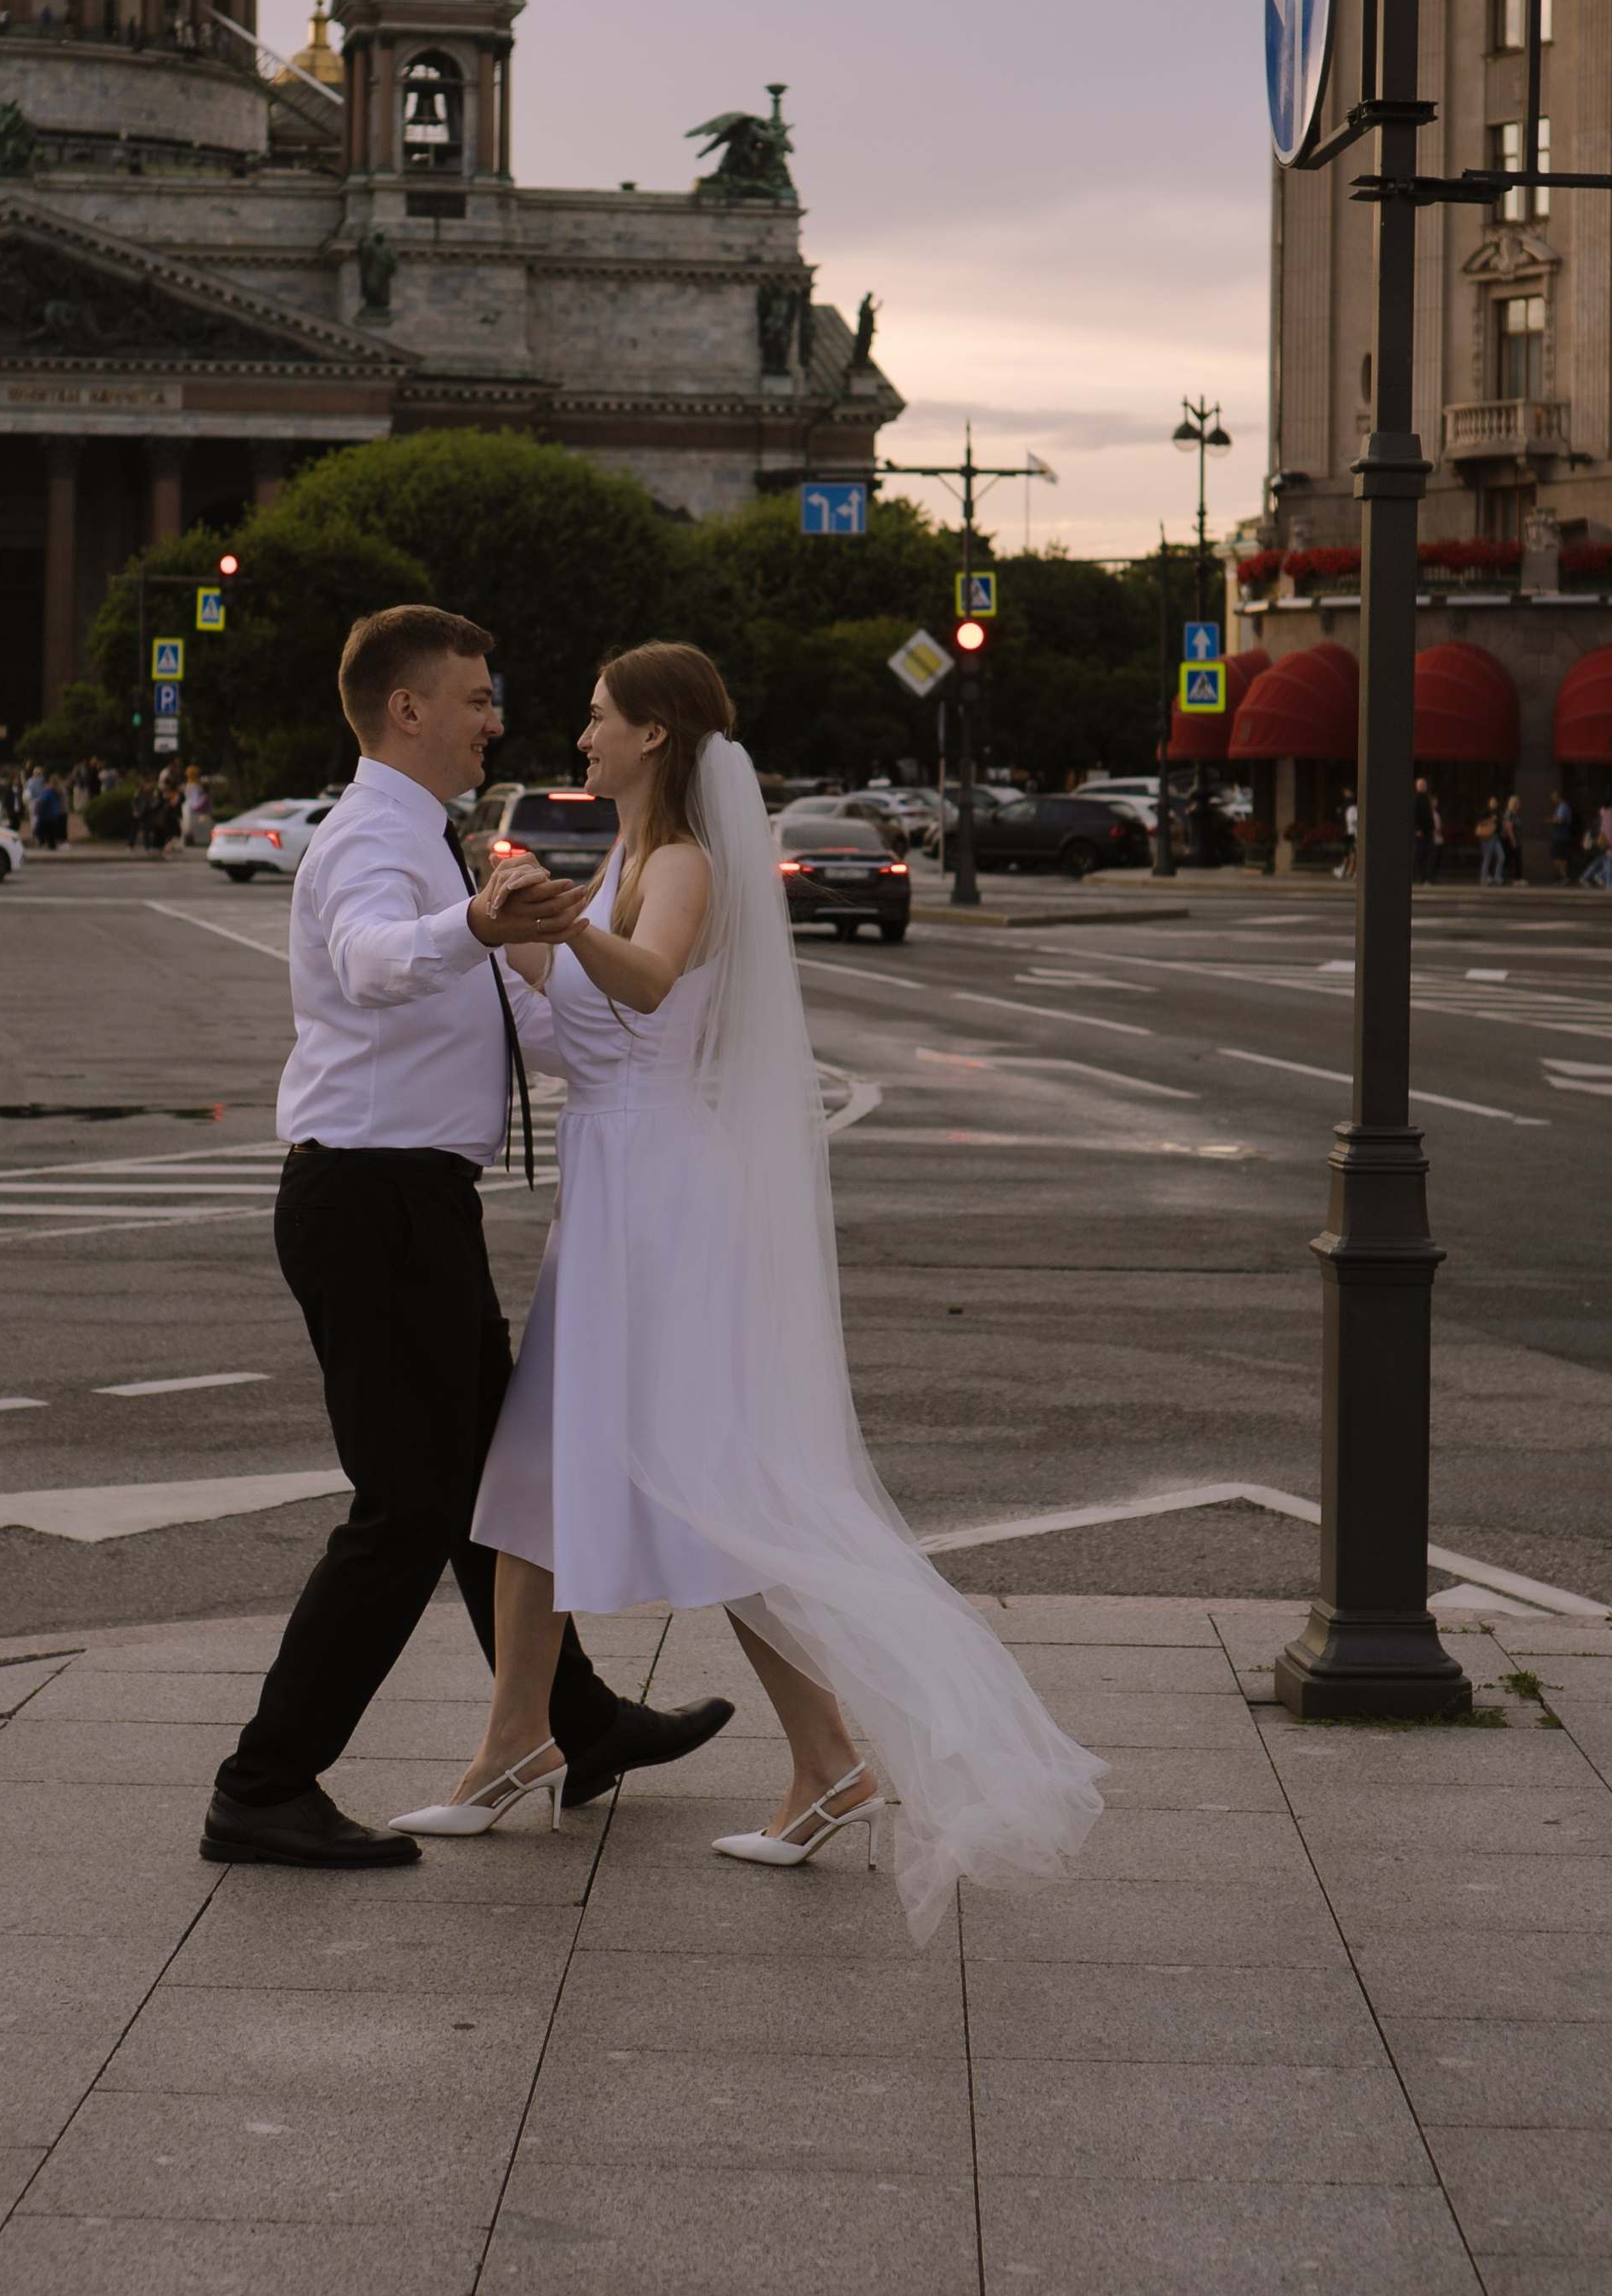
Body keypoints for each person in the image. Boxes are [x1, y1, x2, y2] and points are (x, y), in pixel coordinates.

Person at [397, 643, 1105, 1941]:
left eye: (601, 718)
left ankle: (829, 1759)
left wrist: (568, 931)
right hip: (618, 1187)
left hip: (663, 1201)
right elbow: (582, 1029)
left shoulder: (678, 866)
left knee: (714, 1487)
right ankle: (523, 1749)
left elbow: (652, 981)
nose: (583, 735)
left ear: (657, 735)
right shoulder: (625, 860)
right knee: (538, 1473)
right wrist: (526, 938)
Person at [204, 606, 735, 1872]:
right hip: (368, 1200)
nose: (497, 718)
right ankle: (264, 1780)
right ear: (408, 711)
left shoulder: (439, 846)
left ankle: (575, 1722)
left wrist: (624, 1014)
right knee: (414, 1501)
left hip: (417, 1202)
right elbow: (376, 960)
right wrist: (479, 929)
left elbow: (523, 1020)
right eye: (478, 698)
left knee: (502, 1477)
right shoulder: (366, 846)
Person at [1581, 799, 1612, 890]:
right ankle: (1609, 882)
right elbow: (1608, 831)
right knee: (1611, 862)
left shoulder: (1607, 814)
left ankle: (1605, 880)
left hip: (1608, 843)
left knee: (1610, 862)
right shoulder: (1609, 815)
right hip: (1609, 843)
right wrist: (1610, 843)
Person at [1411, 777, 1436, 885]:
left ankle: (1428, 877)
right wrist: (1416, 829)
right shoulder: (1415, 799)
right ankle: (1412, 877)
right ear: (1417, 787)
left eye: (1424, 785)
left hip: (1428, 831)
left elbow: (1430, 815)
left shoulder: (1427, 798)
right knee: (1416, 855)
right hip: (1419, 832)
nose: (1423, 787)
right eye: (1420, 785)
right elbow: (1413, 815)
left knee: (1430, 854)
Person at [1477, 793, 1505, 885]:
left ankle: (1497, 878)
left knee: (1501, 857)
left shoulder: (1498, 812)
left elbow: (1500, 824)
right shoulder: (1486, 812)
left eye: (1495, 802)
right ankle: (1484, 879)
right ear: (1489, 803)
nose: (1494, 804)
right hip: (1488, 837)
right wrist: (1491, 820)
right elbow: (1481, 822)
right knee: (1487, 858)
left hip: (1496, 837)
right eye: (1492, 802)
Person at [1548, 790, 1576, 885]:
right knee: (1561, 856)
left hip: (1561, 836)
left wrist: (1549, 821)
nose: (1552, 799)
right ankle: (1563, 875)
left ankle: (1564, 875)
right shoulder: (1561, 807)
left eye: (1554, 797)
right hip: (1560, 835)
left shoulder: (1563, 807)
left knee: (1558, 856)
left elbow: (1560, 821)